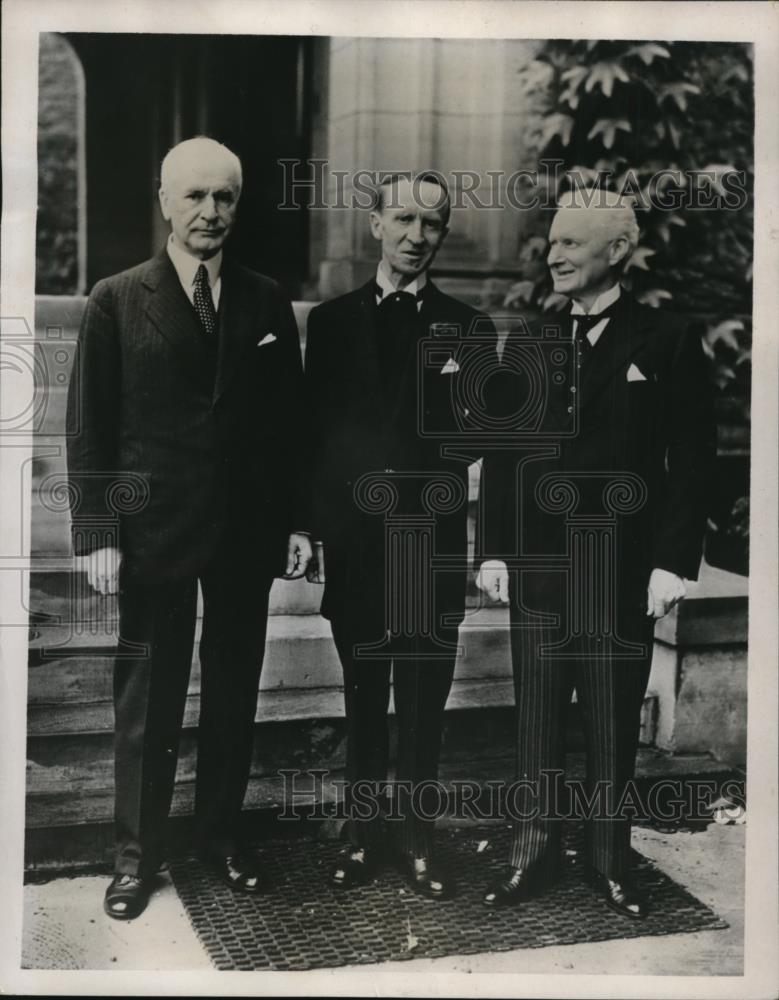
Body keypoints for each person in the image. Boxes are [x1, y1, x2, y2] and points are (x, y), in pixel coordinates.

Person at [66, 136, 312, 920]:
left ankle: (220, 839)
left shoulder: (265, 299)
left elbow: (289, 426)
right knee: (150, 698)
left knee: (234, 688)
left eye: (225, 197)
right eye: (196, 196)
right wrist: (99, 531)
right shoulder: (115, 299)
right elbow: (89, 426)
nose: (210, 211)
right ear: (165, 201)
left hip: (244, 529)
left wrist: (298, 522)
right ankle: (136, 859)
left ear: (238, 204)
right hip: (153, 531)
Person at [477, 189, 715, 918]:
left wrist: (671, 562)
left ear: (617, 251)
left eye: (571, 243)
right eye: (552, 241)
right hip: (540, 570)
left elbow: (692, 459)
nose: (554, 255)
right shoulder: (528, 341)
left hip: (622, 570)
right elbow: (504, 455)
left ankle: (611, 862)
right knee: (537, 719)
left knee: (611, 722)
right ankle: (532, 854)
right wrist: (494, 552)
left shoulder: (667, 339)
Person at [302, 173, 496, 899]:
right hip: (356, 544)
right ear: (376, 224)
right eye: (405, 219)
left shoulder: (469, 328)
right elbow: (315, 435)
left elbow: (479, 437)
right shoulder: (330, 324)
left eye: (432, 223)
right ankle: (361, 836)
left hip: (428, 543)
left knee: (421, 700)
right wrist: (312, 525)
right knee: (363, 697)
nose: (417, 235)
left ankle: (417, 841)